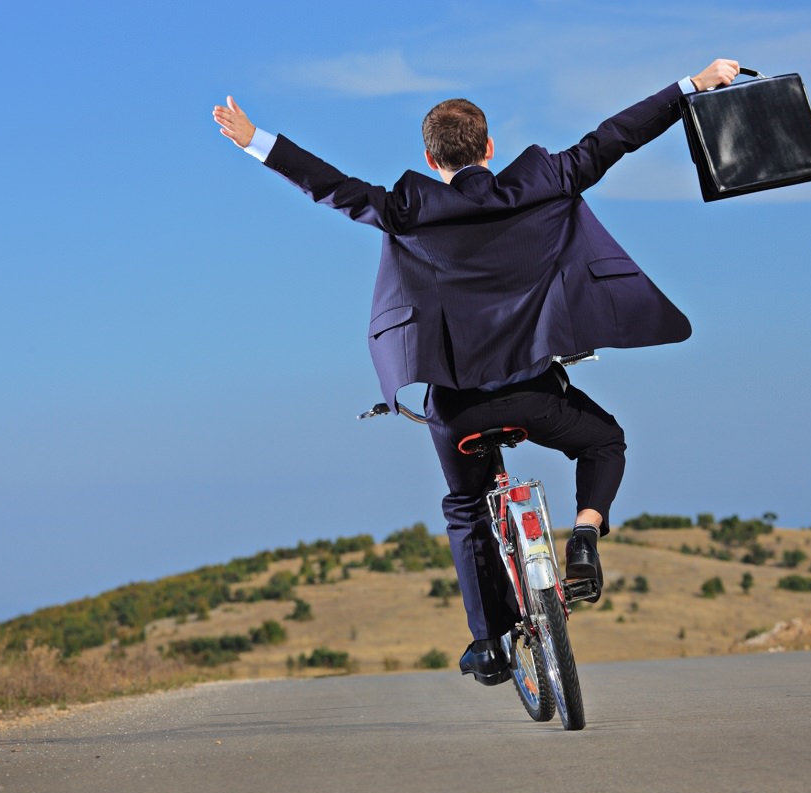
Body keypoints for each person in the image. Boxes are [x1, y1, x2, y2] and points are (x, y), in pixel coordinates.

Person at [212, 58, 740, 685]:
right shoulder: (549, 178)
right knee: (605, 442)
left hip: (459, 411)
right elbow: (618, 134)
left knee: (466, 508)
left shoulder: (407, 208)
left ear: (431, 159)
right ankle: (586, 535)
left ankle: (487, 643)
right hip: (537, 396)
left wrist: (255, 141)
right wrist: (693, 85)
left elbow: (332, 185)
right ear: (490, 147)